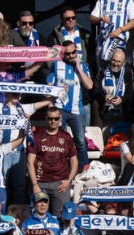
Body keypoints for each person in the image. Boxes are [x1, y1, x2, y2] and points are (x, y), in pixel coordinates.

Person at [48, 40, 94, 170]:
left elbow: (89, 85)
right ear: (63, 54)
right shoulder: (56, 65)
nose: (71, 56)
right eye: (68, 54)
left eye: (73, 52)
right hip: (60, 108)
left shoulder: (83, 66)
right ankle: (59, 168)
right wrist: (50, 104)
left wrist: (78, 67)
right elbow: (48, 86)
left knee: (81, 142)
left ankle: (84, 169)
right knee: (59, 141)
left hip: (76, 109)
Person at [27, 106, 78, 217]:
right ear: (46, 119)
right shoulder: (36, 135)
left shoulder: (66, 136)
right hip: (40, 183)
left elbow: (74, 161)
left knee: (62, 217)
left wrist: (69, 180)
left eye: (56, 118)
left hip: (60, 184)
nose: (53, 121)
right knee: (38, 216)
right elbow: (29, 162)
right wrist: (35, 184)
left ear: (60, 119)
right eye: (50, 118)